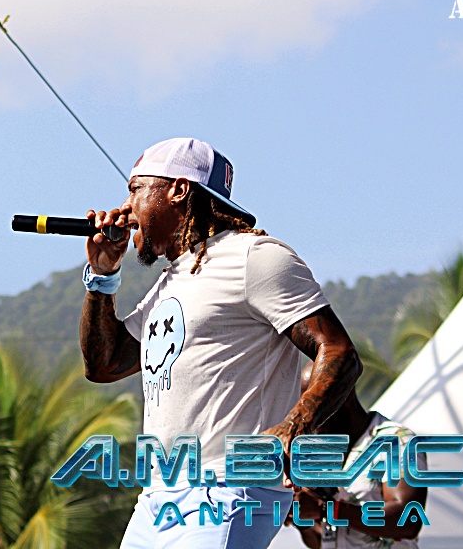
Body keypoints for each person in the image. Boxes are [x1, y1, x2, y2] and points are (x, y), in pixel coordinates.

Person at [79, 137, 362, 549]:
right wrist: (102, 277)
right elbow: (103, 365)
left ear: (178, 190)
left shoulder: (255, 258)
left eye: (135, 189)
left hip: (229, 488)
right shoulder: (172, 280)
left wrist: (293, 426)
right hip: (158, 496)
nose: (125, 207)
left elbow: (339, 352)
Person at [288, 362, 428, 548]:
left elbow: (408, 520)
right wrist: (302, 517)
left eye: (313, 412)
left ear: (341, 397)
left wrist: (325, 509)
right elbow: (323, 541)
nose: (307, 423)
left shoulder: (396, 441)